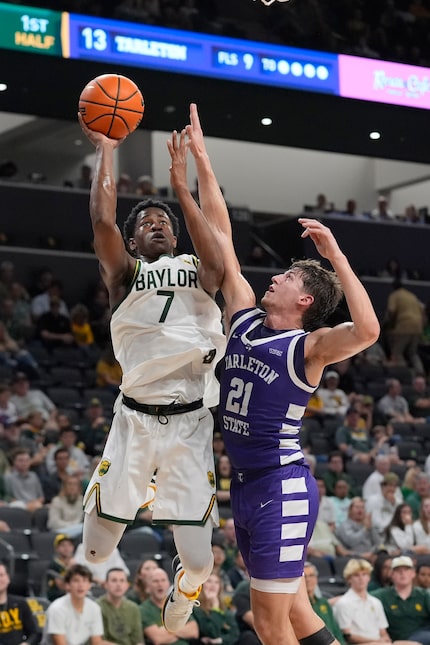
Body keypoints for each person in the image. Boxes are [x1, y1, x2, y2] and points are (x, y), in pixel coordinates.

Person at [184, 103, 380, 645]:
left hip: (280, 487)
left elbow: (366, 330)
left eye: (289, 275)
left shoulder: (309, 347)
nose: (275, 276)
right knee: (295, 613)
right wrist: (203, 160)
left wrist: (334, 252)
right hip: (245, 488)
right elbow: (221, 236)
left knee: (268, 623)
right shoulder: (244, 315)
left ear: (306, 299)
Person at [78, 109, 225, 635]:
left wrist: (181, 190)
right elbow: (100, 223)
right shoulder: (125, 272)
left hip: (189, 424)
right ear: (133, 240)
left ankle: (181, 595)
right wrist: (107, 148)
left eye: (164, 220)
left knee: (204, 566)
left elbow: (220, 265)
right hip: (135, 421)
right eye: (146, 222)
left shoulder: (197, 268)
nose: (157, 223)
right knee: (95, 556)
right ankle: (130, 491)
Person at [332, 557, 416, 645]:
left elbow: (383, 632)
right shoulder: (343, 603)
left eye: (364, 574)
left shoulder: (376, 602)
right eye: (356, 575)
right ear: (349, 579)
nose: (361, 578)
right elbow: (348, 636)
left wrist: (386, 640)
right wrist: (376, 641)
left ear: (369, 577)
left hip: (379, 642)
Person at [42, 563, 107, 645]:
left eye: (84, 581)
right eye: (76, 581)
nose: (81, 585)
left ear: (90, 585)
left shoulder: (94, 608)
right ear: (67, 585)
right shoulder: (57, 608)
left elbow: (97, 642)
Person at [371, 555, 430, 644]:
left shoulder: (424, 595)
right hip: (395, 640)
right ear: (392, 574)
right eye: (398, 571)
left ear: (413, 573)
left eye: (406, 570)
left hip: (422, 637)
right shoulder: (381, 596)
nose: (403, 574)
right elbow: (362, 598)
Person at [140, 567, 199, 644]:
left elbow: (194, 631)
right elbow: (158, 638)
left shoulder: (178, 603)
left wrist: (166, 631)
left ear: (168, 584)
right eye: (155, 581)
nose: (160, 584)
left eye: (163, 580)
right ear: (147, 587)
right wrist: (181, 630)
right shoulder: (143, 609)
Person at [383, 279, 425, 374]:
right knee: (412, 353)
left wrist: (387, 325)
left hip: (404, 326)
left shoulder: (395, 295)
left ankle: (404, 372)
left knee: (396, 352)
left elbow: (391, 312)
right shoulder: (411, 295)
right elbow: (422, 309)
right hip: (417, 327)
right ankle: (420, 372)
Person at [97, 567, 143, 645]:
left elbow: (138, 641)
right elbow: (98, 642)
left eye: (122, 581)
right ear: (106, 585)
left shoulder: (133, 608)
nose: (118, 585)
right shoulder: (97, 607)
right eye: (114, 580)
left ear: (127, 585)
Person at [192, 571, 240, 645]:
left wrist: (220, 640)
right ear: (201, 585)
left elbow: (235, 634)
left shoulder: (224, 608)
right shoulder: (196, 607)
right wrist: (215, 606)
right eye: (209, 581)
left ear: (220, 587)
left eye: (217, 582)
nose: (213, 585)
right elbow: (212, 633)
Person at [303, 562, 346, 645]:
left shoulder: (323, 602)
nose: (308, 580)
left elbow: (336, 630)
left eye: (311, 575)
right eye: (305, 577)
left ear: (316, 578)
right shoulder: (300, 606)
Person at [0, 561, 39, 645]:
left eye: (1, 575)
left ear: (8, 578)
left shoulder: (21, 604)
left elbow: (34, 633)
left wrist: (27, 643)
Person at [46, 533, 76, 602]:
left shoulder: (74, 562)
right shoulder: (54, 565)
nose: (67, 548)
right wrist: (69, 568)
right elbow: (61, 586)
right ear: (56, 548)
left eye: (69, 545)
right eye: (63, 545)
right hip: (56, 598)